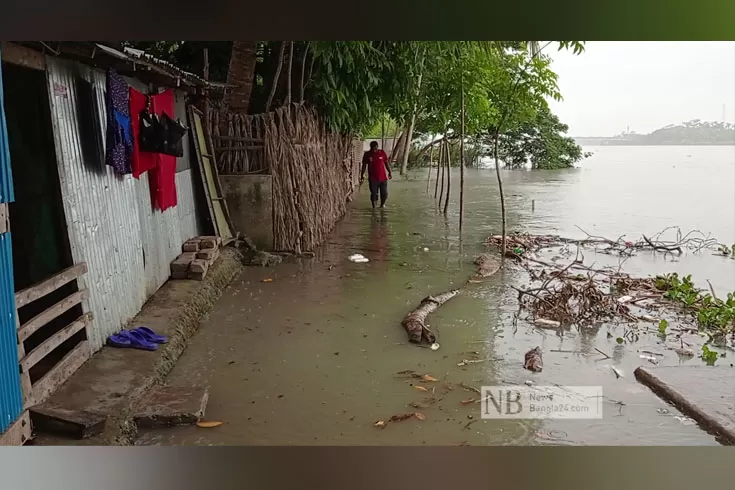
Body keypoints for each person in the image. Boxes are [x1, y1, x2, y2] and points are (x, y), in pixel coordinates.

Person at [360, 141, 392, 208]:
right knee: (374, 194)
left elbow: (386, 163)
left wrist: (389, 172)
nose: (374, 150)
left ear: (377, 147)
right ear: (370, 147)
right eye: (373, 149)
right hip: (373, 179)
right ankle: (374, 207)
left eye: (375, 148)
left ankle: (382, 205)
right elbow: (364, 165)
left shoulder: (382, 153)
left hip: (383, 178)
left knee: (384, 193)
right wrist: (362, 175)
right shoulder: (367, 154)